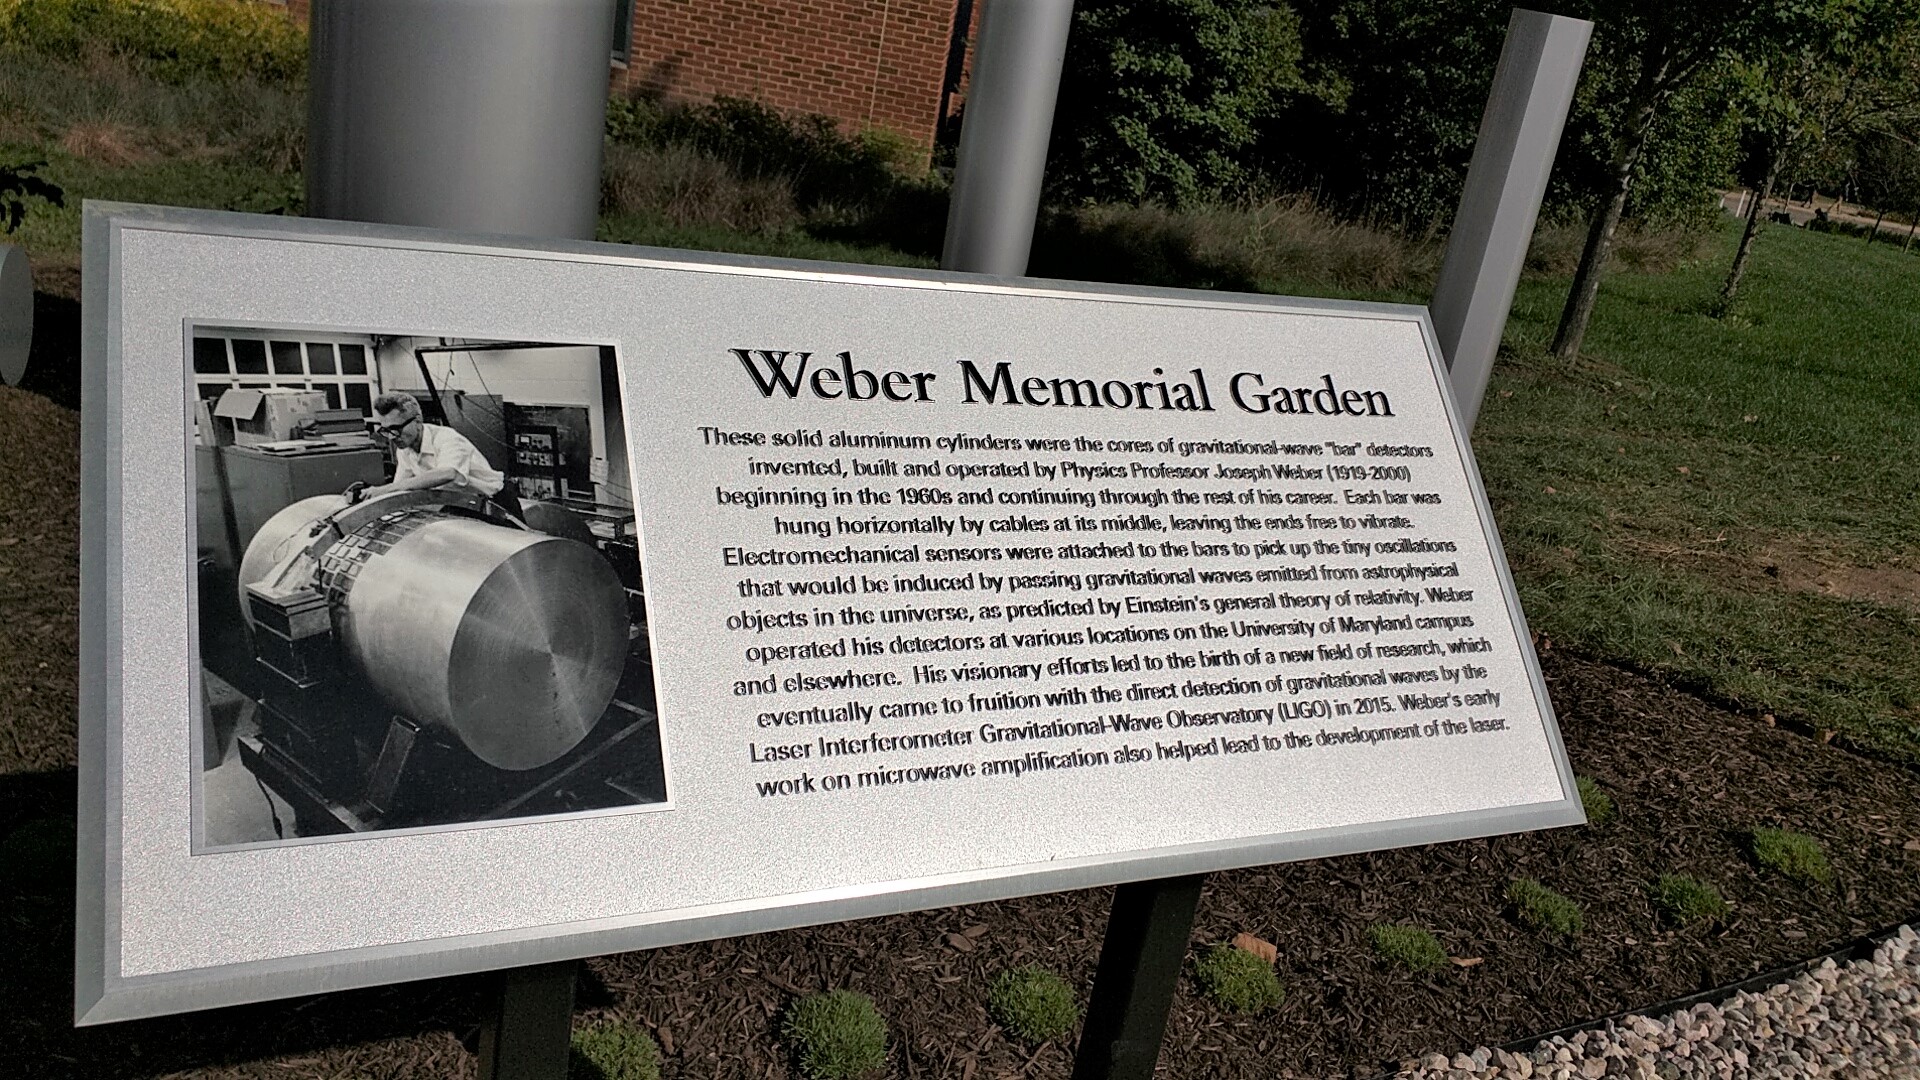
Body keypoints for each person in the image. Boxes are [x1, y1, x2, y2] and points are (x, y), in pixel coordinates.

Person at [356, 391, 525, 520]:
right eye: (386, 431)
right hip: (460, 505)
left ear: (417, 420)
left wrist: (386, 489)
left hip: (495, 503)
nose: (392, 437)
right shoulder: (405, 450)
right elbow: (401, 488)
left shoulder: (448, 438)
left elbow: (447, 473)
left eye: (396, 429)